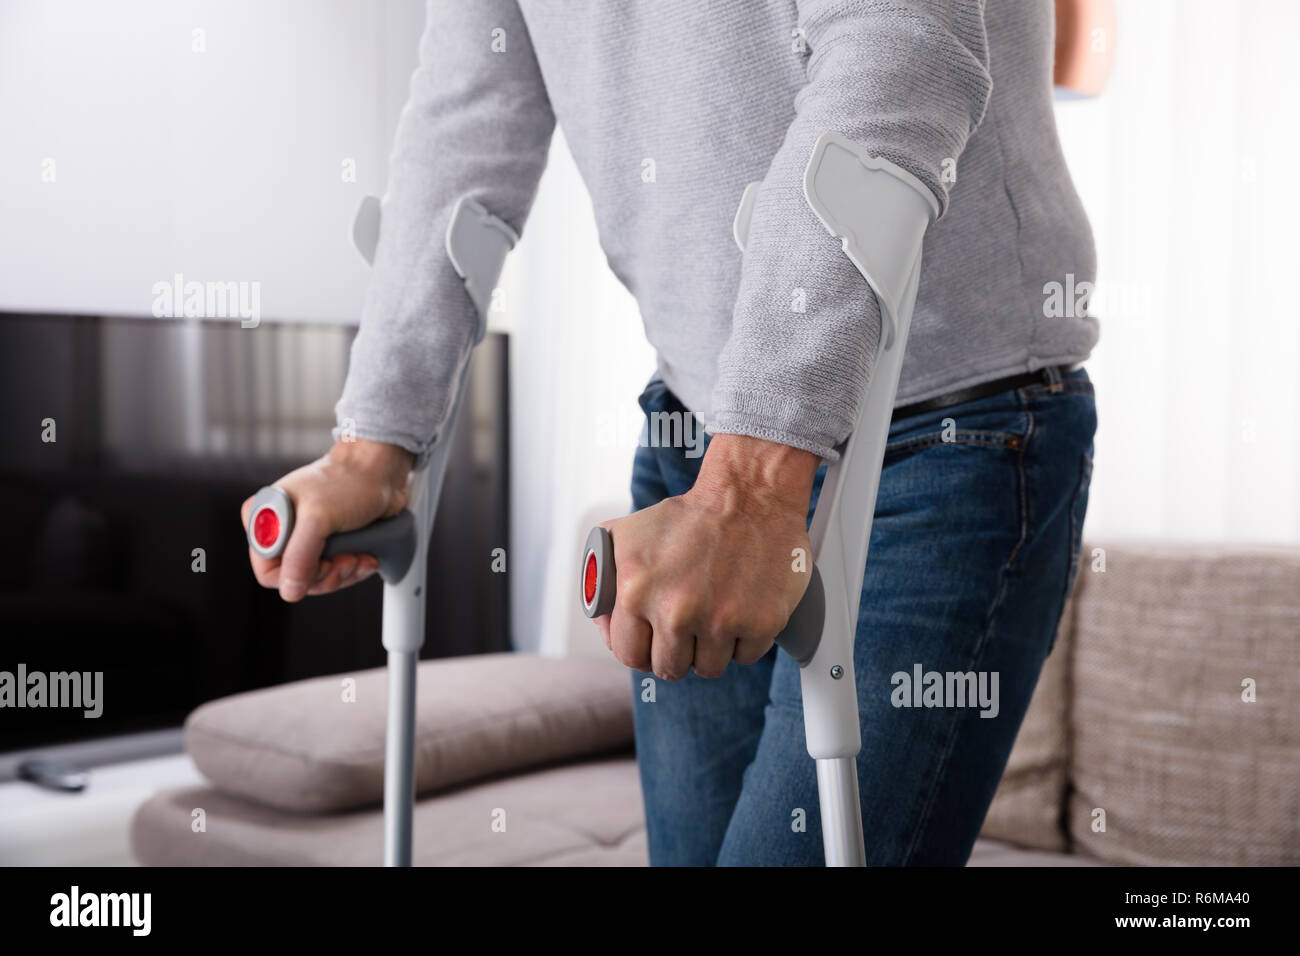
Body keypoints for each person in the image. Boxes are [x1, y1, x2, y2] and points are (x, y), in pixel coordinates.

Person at [244, 0, 1101, 866]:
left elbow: (903, 57)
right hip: (697, 436)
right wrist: (375, 439)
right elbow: (464, 124)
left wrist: (757, 479)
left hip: (947, 431)